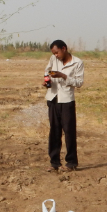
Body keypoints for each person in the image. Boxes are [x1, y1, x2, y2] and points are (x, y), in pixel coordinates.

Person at [43, 40, 84, 171]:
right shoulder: (53, 59)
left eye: (57, 52)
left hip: (67, 101)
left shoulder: (77, 62)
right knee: (54, 131)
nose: (56, 55)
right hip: (53, 98)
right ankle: (54, 163)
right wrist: (47, 80)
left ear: (64, 49)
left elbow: (79, 82)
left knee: (69, 132)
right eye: (53, 53)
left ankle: (71, 163)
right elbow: (47, 72)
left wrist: (63, 76)